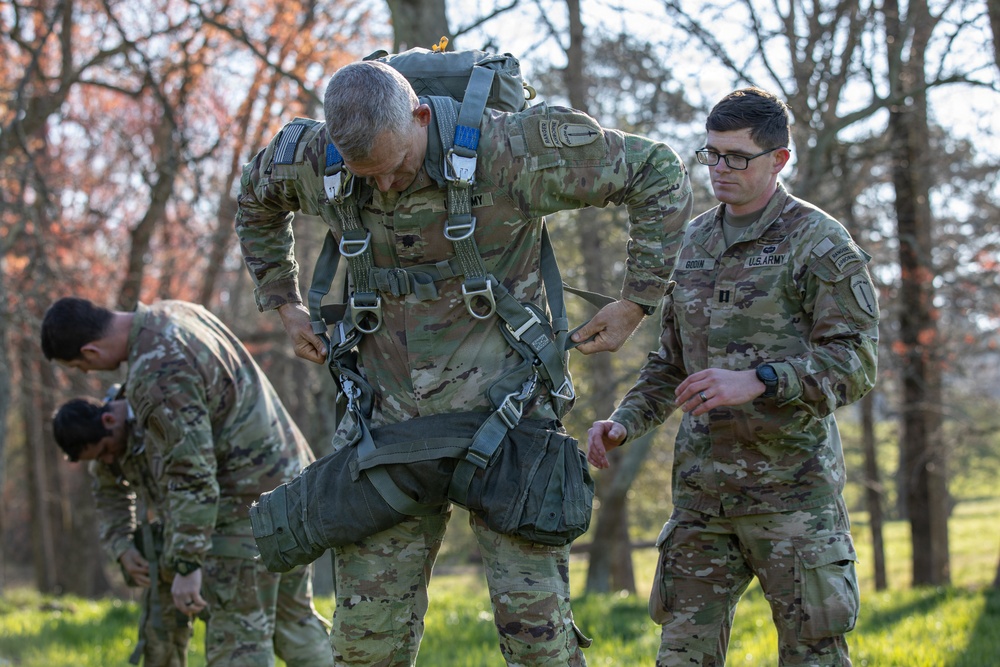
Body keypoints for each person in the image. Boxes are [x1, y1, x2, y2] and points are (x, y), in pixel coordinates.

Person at [235, 58, 693, 666]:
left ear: (420, 114)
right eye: (365, 175)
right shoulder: (314, 159)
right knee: (365, 648)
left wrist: (638, 300)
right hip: (383, 429)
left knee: (540, 647)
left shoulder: (512, 149)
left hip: (506, 424)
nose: (387, 186)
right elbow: (255, 200)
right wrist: (284, 303)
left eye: (395, 166)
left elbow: (657, 171)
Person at [587, 86, 879, 666]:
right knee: (680, 657)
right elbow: (670, 363)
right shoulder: (690, 242)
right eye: (712, 154)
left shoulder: (818, 242)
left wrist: (761, 381)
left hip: (790, 499)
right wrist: (623, 423)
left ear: (779, 159)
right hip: (702, 500)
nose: (720, 169)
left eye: (737, 157)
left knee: (813, 656)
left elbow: (857, 362)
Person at [42, 297, 333, 667]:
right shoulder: (174, 313)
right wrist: (121, 543)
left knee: (238, 642)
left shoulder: (157, 366)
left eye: (81, 365)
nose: (90, 373)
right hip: (292, 491)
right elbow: (118, 483)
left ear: (90, 350)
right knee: (293, 624)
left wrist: (187, 566)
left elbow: (191, 474)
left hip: (245, 512)